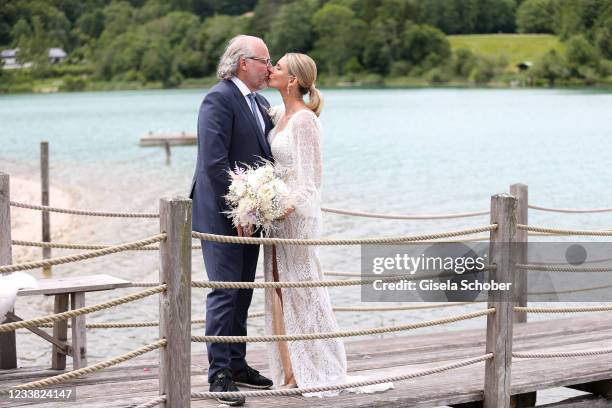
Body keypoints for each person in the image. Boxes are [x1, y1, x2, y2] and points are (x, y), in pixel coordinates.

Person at [264, 53, 393, 396]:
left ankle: (319, 366)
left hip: (296, 220)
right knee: (278, 288)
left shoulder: (305, 121)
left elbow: (312, 179)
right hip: (275, 218)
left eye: (278, 67)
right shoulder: (279, 115)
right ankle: (290, 369)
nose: (271, 69)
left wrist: (285, 207)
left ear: (292, 80)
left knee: (304, 290)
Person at [189, 34, 274, 406]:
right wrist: (239, 208)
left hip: (251, 214)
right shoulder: (218, 99)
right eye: (263, 61)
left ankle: (238, 364)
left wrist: (256, 210)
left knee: (243, 291)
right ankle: (219, 375)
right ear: (243, 63)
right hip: (222, 213)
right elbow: (214, 164)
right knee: (224, 291)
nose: (269, 68)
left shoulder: (261, 101)